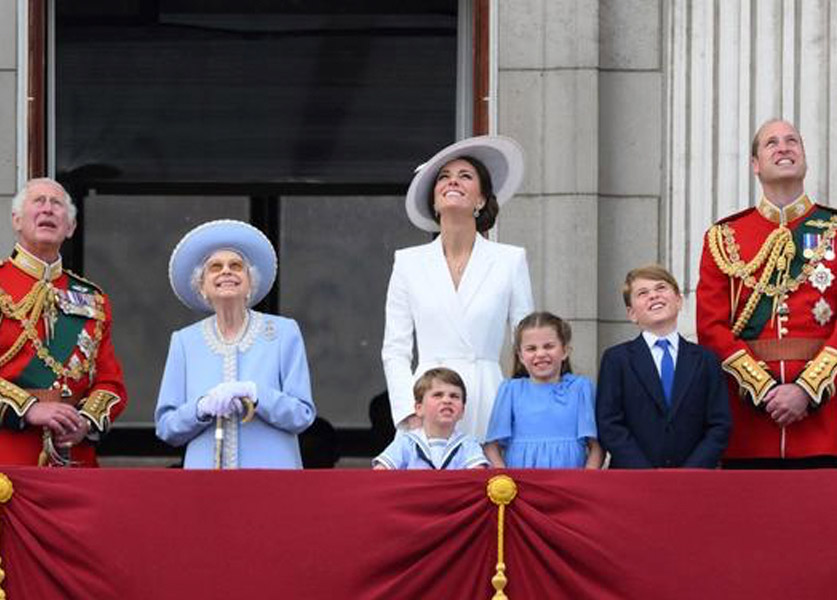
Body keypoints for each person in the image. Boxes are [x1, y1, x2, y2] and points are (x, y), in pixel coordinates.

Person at [697, 119, 837, 468]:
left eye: (793, 141)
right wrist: (765, 390)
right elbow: (711, 328)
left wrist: (806, 389)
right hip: (750, 425)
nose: (784, 147)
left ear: (804, 158)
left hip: (826, 423)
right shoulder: (724, 236)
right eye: (771, 143)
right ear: (755, 164)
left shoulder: (833, 230)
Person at [381, 136, 534, 442]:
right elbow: (395, 349)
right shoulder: (408, 262)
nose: (453, 182)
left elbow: (526, 341)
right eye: (444, 177)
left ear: (481, 200)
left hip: (489, 397)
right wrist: (408, 411)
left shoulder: (509, 260)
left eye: (465, 176)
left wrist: (525, 408)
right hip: (428, 400)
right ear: (434, 200)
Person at [155, 219, 316, 469]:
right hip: (206, 482)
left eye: (236, 266)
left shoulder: (284, 332)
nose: (226, 272)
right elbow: (166, 427)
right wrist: (200, 408)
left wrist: (256, 393)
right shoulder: (184, 341)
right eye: (215, 267)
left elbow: (302, 415)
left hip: (272, 480)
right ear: (202, 287)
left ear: (250, 283)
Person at [0, 177, 127, 466]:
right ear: (16, 220)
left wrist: (85, 421)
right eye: (39, 202)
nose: (48, 209)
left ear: (70, 228)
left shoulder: (93, 299)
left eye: (56, 204)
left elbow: (111, 384)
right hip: (7, 458)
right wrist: (28, 408)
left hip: (73, 460)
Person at [597, 265, 731, 468]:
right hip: (633, 480)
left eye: (661, 288)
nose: (653, 296)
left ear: (678, 300)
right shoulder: (617, 360)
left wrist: (690, 472)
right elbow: (609, 423)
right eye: (643, 293)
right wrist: (646, 473)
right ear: (632, 313)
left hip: (693, 480)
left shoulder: (706, 360)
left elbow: (719, 424)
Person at [483, 312, 603, 469]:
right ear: (520, 356)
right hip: (521, 484)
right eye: (531, 348)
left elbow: (596, 447)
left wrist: (585, 481)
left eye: (549, 346)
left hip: (570, 483)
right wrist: (505, 478)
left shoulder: (581, 389)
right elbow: (492, 447)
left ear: (565, 351)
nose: (540, 354)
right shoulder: (510, 390)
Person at [373, 367, 488, 470]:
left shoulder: (468, 445)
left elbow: (476, 477)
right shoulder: (406, 443)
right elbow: (381, 473)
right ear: (419, 408)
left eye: (454, 396)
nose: (447, 400)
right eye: (438, 395)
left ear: (462, 411)